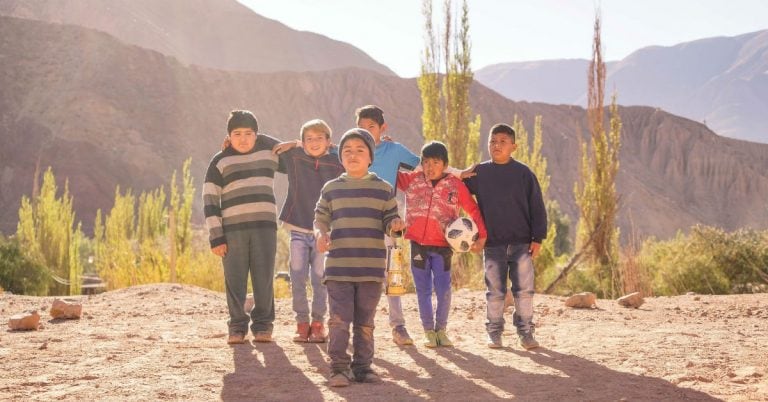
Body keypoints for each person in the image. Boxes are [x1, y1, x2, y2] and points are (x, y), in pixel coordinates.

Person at [314, 128, 405, 387]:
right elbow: (320, 218)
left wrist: (396, 224)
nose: (353, 155)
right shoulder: (331, 188)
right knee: (339, 320)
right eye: (347, 150)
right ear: (340, 157)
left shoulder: (383, 189)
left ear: (370, 157)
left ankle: (363, 368)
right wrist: (321, 234)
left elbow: (390, 220)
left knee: (365, 323)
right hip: (339, 269)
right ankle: (338, 369)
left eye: (360, 150)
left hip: (371, 270)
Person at [203, 110, 286, 345]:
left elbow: (293, 160)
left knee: (264, 278)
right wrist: (216, 236)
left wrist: (265, 140)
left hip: (265, 228)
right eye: (237, 133)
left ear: (257, 135)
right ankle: (237, 326)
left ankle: (263, 325)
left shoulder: (268, 154)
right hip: (232, 231)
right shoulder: (220, 161)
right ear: (228, 135)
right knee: (235, 279)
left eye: (249, 133)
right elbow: (210, 199)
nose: (243, 138)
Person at [464, 123, 547, 350]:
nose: (497, 145)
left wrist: (538, 237)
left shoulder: (523, 174)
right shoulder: (479, 172)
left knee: (524, 291)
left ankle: (526, 332)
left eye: (502, 141)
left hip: (522, 243)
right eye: (492, 141)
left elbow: (537, 206)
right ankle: (494, 332)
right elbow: (456, 186)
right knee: (495, 291)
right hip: (492, 244)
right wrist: (458, 173)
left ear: (514, 146)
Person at [396, 141, 487, 348]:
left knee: (444, 288)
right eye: (426, 162)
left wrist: (482, 235)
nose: (430, 167)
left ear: (445, 165)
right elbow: (390, 170)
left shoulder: (455, 186)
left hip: (444, 246)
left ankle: (442, 331)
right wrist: (384, 148)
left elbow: (473, 210)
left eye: (435, 162)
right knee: (423, 289)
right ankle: (428, 331)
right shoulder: (412, 180)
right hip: (417, 244)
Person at [355, 105, 421, 346]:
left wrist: (458, 173)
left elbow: (425, 165)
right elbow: (320, 149)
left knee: (392, 276)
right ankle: (361, 328)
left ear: (383, 128)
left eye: (371, 127)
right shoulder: (350, 149)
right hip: (356, 223)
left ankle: (399, 326)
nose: (365, 132)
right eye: (361, 128)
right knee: (359, 276)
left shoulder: (394, 150)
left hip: (388, 222)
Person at [278, 119, 344, 343]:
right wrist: (294, 143)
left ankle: (318, 323)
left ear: (329, 141)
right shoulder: (295, 157)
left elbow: (351, 150)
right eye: (309, 139)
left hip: (324, 232)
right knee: (297, 276)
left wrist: (332, 147)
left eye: (319, 138)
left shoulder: (337, 162)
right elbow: (268, 144)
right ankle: (301, 323)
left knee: (320, 278)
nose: (314, 142)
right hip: (297, 227)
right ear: (302, 141)